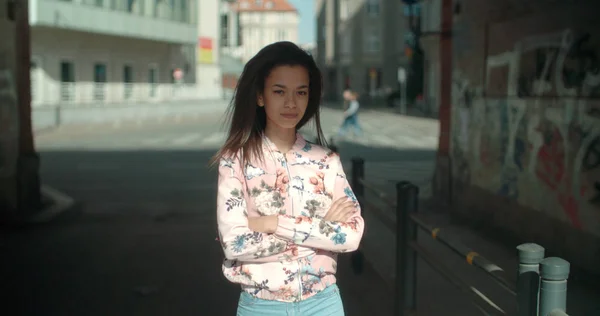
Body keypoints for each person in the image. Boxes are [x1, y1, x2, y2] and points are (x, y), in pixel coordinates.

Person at [211, 41, 365, 316]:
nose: (291, 103)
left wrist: (270, 223)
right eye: (279, 91)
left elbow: (350, 236)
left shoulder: (326, 161)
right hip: (260, 307)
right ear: (260, 96)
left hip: (324, 304)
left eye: (301, 92)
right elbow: (235, 243)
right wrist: (321, 228)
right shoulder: (235, 161)